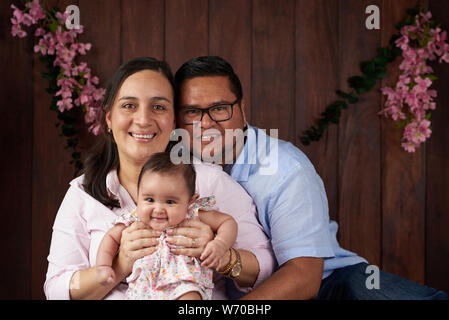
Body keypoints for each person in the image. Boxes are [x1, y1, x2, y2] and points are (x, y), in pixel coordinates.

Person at [174, 55, 449, 300]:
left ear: (242, 110)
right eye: (192, 111)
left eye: (220, 108)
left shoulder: (285, 167)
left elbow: (304, 276)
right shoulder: (176, 166)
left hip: (329, 283)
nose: (206, 122)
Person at [44, 57, 276, 300]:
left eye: (159, 107)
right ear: (109, 118)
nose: (143, 120)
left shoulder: (210, 182)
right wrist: (121, 263)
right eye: (129, 106)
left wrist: (223, 255)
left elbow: (265, 266)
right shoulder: (83, 193)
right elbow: (57, 290)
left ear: (173, 121)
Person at [96, 152, 238, 300]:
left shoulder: (192, 214)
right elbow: (111, 237)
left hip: (184, 283)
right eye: (149, 199)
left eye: (170, 202)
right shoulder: (135, 219)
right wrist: (103, 266)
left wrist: (220, 244)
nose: (158, 209)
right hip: (144, 289)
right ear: (138, 196)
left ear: (190, 201)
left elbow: (227, 222)